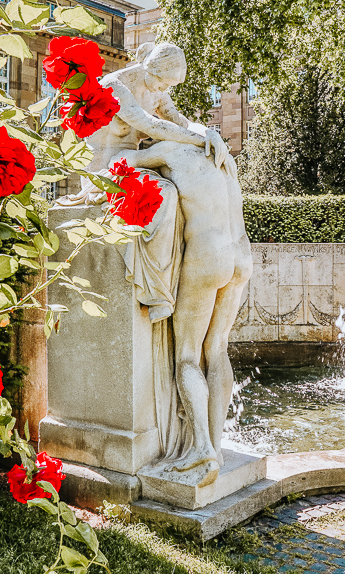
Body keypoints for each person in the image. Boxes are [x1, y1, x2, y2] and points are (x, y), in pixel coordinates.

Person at [58, 43, 252, 484]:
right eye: (162, 83)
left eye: (169, 87)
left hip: (209, 258)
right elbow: (151, 125)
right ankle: (213, 447)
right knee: (215, 350)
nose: (164, 91)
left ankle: (204, 450)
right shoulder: (118, 89)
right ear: (148, 68)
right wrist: (208, 136)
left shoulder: (173, 149)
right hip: (240, 256)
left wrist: (193, 134)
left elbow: (166, 126)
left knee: (188, 357)